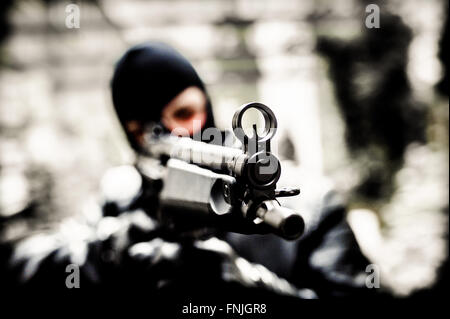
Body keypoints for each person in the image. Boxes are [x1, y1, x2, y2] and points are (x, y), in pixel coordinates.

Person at [5, 42, 373, 299]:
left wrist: (257, 291)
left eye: (183, 113)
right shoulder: (122, 197)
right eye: (146, 131)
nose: (177, 135)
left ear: (207, 104)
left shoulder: (307, 201)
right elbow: (23, 267)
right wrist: (115, 248)